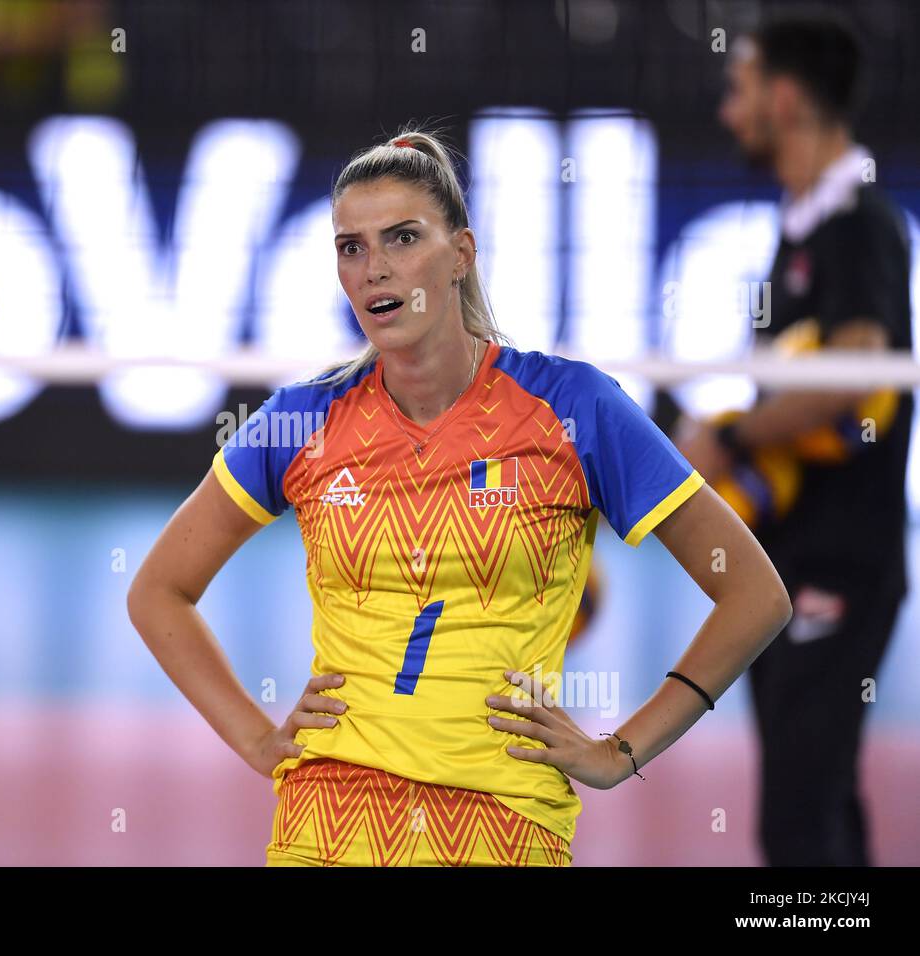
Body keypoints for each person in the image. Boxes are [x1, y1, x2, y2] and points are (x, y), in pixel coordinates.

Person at [128, 126, 792, 866]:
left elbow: (756, 596)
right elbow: (159, 590)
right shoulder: (302, 416)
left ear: (462, 255)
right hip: (328, 821)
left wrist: (621, 751)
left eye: (402, 238)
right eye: (352, 247)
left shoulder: (573, 407)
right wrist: (257, 739)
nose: (375, 269)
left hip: (500, 827)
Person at [679, 10, 913, 866]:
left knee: (797, 821)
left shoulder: (859, 221)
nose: (727, 111)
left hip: (841, 569)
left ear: (784, 98)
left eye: (738, 90)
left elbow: (856, 370)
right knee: (815, 808)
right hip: (788, 563)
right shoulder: (803, 223)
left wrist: (732, 436)